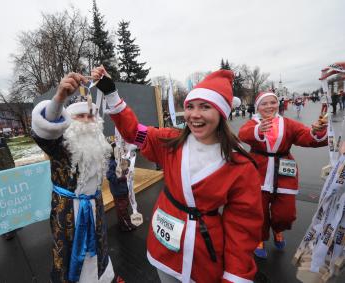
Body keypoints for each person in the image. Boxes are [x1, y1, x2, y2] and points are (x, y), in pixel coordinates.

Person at [93, 66, 263, 283]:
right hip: (163, 250)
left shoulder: (240, 166)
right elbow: (133, 131)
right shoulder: (170, 141)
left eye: (205, 107)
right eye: (190, 106)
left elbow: (243, 229)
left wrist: (234, 277)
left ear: (221, 113)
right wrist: (111, 92)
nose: (195, 114)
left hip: (203, 257)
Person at [31, 73, 115, 283]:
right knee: (69, 253)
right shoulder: (60, 144)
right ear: (69, 120)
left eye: (90, 116)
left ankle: (102, 277)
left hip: (95, 206)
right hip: (68, 211)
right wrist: (59, 98)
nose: (87, 121)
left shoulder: (99, 143)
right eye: (80, 116)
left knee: (99, 246)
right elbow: (45, 130)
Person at [238, 91, 328, 259]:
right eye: (264, 104)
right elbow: (243, 133)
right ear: (257, 107)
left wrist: (316, 132)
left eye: (272, 102)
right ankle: (260, 238)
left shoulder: (287, 123)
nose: (269, 106)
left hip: (284, 170)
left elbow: (304, 136)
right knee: (259, 211)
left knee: (285, 213)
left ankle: (278, 228)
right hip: (259, 172)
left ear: (277, 104)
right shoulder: (253, 123)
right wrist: (258, 129)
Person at [106, 144, 136, 232]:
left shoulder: (121, 161)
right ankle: (126, 225)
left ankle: (123, 224)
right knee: (122, 209)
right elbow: (110, 177)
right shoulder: (112, 163)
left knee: (124, 208)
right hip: (118, 191)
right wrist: (123, 178)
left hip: (123, 190)